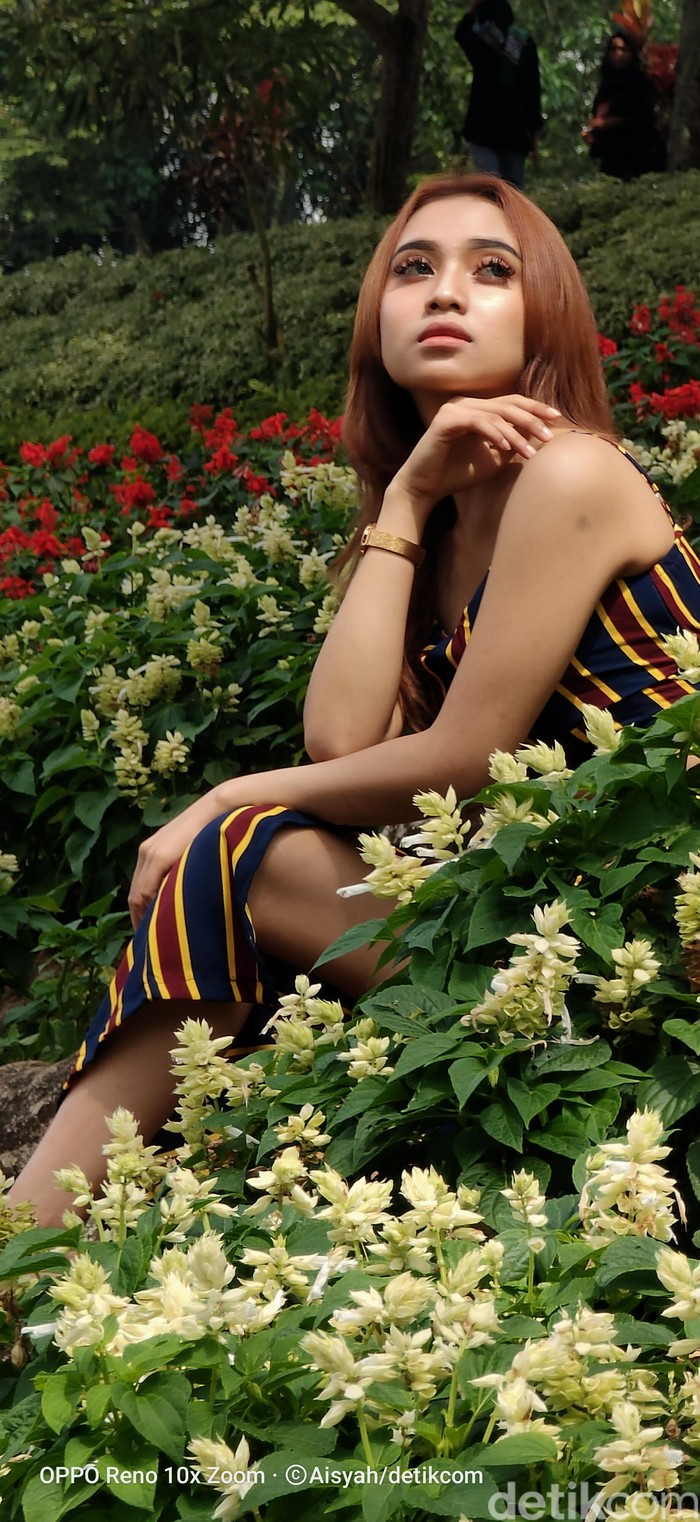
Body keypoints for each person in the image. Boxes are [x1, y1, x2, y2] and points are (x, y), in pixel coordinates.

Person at [11, 172, 700, 1227]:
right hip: (534, 927)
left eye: (492, 269)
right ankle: (56, 1233)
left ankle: (29, 1235)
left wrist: (221, 791)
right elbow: (340, 743)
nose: (445, 290)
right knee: (243, 857)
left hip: (643, 943)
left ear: (547, 312)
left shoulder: (574, 474)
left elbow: (463, 757)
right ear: (377, 315)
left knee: (234, 844)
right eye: (413, 268)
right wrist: (408, 502)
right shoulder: (438, 520)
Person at [455, 0, 543, 189]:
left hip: (482, 129)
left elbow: (460, 32)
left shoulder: (479, 40)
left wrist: (473, 8)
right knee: (513, 193)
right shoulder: (524, 42)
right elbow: (532, 91)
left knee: (488, 190)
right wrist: (534, 136)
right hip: (515, 131)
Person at [583, 29, 666, 179]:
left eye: (624, 49)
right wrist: (593, 132)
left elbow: (644, 117)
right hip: (611, 159)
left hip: (638, 156)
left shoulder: (641, 83)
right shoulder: (606, 86)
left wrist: (612, 122)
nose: (618, 54)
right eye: (614, 49)